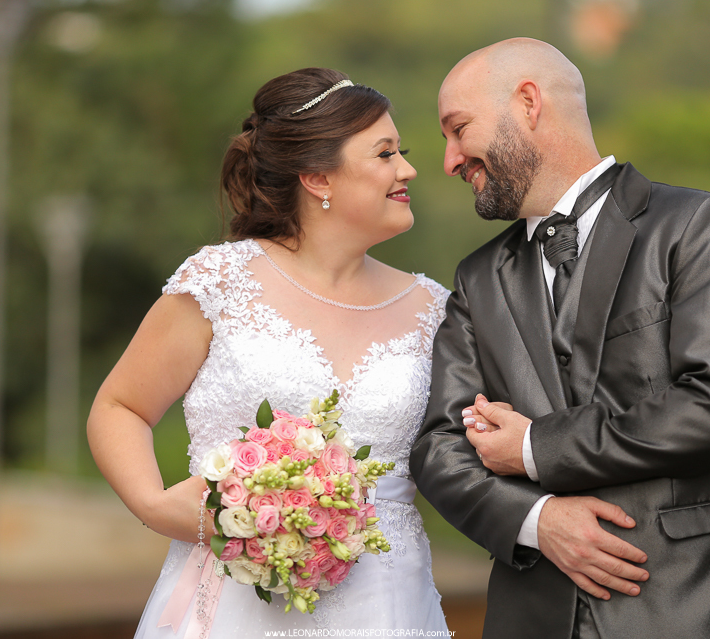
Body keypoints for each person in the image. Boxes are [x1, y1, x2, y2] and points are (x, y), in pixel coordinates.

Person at [410, 38, 710, 639]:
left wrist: (534, 449)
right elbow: (440, 447)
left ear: (528, 102)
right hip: (534, 615)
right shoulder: (477, 279)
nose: (449, 159)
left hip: (699, 604)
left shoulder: (698, 227)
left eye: (458, 129)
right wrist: (536, 520)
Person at [88, 68, 449, 637]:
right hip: (234, 606)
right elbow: (120, 407)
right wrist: (156, 507)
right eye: (384, 154)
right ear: (316, 177)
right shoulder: (220, 282)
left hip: (389, 606)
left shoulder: (436, 309)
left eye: (401, 152)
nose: (407, 169)